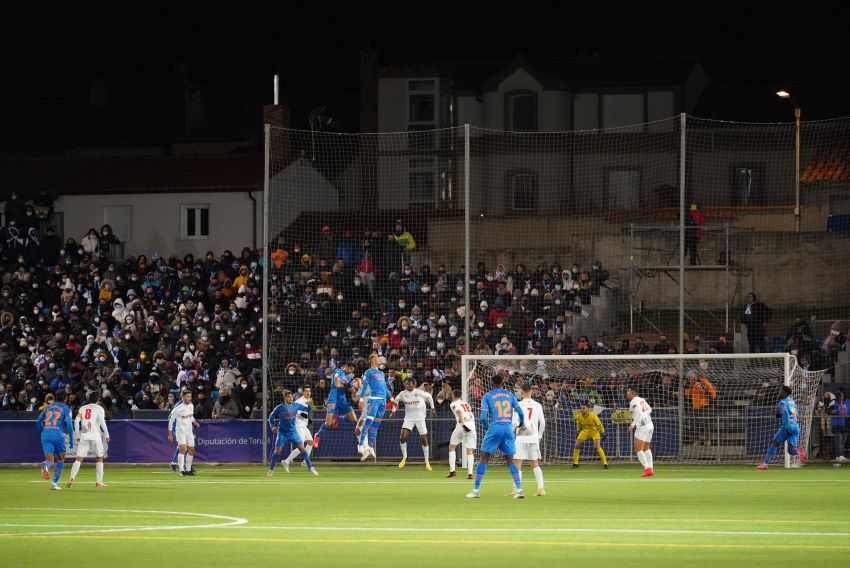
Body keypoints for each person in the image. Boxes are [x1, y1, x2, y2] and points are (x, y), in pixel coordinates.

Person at [467, 370, 525, 499]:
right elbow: (520, 413)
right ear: (503, 382)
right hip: (508, 429)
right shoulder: (510, 395)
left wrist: (488, 428)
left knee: (484, 458)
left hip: (495, 427)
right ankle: (519, 489)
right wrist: (521, 423)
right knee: (510, 460)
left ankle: (476, 491)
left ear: (491, 383)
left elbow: (482, 417)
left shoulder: (487, 396)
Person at [267, 390, 318, 476]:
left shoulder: (296, 405)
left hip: (293, 432)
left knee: (302, 448)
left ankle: (311, 467)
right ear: (285, 398)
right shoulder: (280, 407)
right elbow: (271, 417)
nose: (291, 398)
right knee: (278, 450)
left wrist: (309, 404)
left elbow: (307, 410)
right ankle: (271, 469)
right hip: (282, 433)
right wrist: (272, 426)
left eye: (291, 397)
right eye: (288, 397)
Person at [391, 378, 436, 470]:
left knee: (424, 438)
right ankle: (404, 458)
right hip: (409, 418)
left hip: (420, 418)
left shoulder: (419, 392)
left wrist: (432, 408)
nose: (408, 385)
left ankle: (427, 461)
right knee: (402, 437)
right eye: (407, 384)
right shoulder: (403, 393)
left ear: (414, 385)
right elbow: (396, 401)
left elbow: (429, 397)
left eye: (410, 384)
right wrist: (393, 411)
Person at [67, 391, 110, 488]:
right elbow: (102, 422)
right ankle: (99, 482)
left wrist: (77, 434)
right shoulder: (99, 408)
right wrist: (107, 434)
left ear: (88, 399)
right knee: (99, 458)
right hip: (95, 436)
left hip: (85, 435)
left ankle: (72, 477)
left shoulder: (83, 408)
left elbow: (77, 421)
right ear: (98, 399)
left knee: (79, 459)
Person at [758, 385, 806, 469]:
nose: (779, 392)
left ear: (785, 393)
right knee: (790, 450)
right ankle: (798, 451)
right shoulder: (792, 401)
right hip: (795, 426)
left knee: (774, 444)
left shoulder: (782, 403)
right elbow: (795, 414)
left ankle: (765, 464)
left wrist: (787, 427)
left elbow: (786, 414)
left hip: (787, 426)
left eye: (781, 391)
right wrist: (779, 415)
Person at [313, 362, 357, 448]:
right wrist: (347, 386)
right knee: (328, 424)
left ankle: (338, 417)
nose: (351, 371)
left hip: (343, 400)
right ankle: (317, 435)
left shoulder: (348, 378)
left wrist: (354, 390)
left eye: (353, 370)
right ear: (345, 367)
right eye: (351, 369)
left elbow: (352, 391)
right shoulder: (338, 371)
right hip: (333, 399)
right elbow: (337, 384)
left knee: (354, 419)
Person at [37, 391, 75, 490]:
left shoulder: (48, 407)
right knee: (61, 458)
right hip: (57, 434)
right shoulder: (66, 408)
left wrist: (43, 431)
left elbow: (38, 421)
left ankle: (46, 465)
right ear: (65, 399)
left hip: (46, 433)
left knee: (50, 459)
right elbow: (69, 425)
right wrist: (71, 439)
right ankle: (54, 483)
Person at [513, 383, 546, 496]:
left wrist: (511, 434)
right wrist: (540, 436)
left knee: (517, 462)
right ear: (531, 392)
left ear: (522, 392)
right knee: (535, 462)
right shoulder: (537, 405)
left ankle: (517, 490)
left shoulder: (518, 404)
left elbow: (514, 422)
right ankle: (541, 488)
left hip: (521, 436)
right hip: (533, 437)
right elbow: (542, 422)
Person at [357, 354, 390, 460]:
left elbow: (384, 387)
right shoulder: (369, 373)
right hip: (371, 402)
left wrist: (392, 399)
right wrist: (361, 400)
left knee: (370, 425)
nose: (379, 359)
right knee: (361, 427)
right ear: (371, 361)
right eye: (376, 357)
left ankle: (368, 447)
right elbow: (363, 389)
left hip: (379, 401)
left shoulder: (381, 373)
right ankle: (364, 447)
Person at [281, 386, 315, 469]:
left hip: (304, 426)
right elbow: (295, 412)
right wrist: (305, 416)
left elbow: (305, 412)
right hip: (299, 426)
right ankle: (286, 461)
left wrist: (308, 419)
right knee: (301, 447)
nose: (308, 393)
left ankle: (304, 462)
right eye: (306, 391)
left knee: (310, 442)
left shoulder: (308, 401)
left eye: (309, 391)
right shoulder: (299, 401)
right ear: (303, 392)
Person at [168, 390, 200, 477]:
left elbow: (191, 415)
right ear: (183, 397)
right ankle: (182, 470)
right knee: (183, 449)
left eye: (190, 396)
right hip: (180, 431)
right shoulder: (178, 408)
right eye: (188, 396)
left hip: (189, 431)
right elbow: (170, 420)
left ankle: (188, 470)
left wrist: (195, 422)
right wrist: (170, 433)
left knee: (191, 450)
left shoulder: (191, 405)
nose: (190, 398)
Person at [683, 369, 717, 446]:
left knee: (706, 423)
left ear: (695, 376)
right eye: (689, 378)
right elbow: (687, 394)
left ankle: (707, 440)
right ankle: (696, 440)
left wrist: (702, 387)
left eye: (691, 377)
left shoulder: (703, 381)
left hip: (705, 406)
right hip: (694, 407)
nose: (690, 379)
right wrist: (690, 387)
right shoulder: (690, 384)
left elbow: (713, 394)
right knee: (694, 424)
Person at [447, 389, 476, 480]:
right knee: (469, 450)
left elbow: (459, 412)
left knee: (452, 447)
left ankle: (452, 471)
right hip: (471, 426)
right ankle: (470, 474)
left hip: (461, 426)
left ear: (453, 395)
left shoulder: (453, 404)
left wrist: (463, 424)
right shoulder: (466, 404)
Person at [627, 386, 655, 477]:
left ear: (633, 392)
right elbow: (650, 409)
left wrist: (632, 425)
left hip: (642, 426)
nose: (627, 393)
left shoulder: (633, 401)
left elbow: (638, 413)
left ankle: (647, 469)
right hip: (650, 424)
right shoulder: (641, 399)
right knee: (646, 448)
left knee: (638, 449)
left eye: (628, 391)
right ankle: (650, 468)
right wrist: (645, 416)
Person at [572, 402, 609, 469]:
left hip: (594, 431)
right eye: (581, 408)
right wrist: (578, 431)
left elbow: (600, 425)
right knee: (576, 446)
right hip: (584, 431)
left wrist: (603, 432)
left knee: (597, 447)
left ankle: (605, 463)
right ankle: (575, 463)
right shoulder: (579, 416)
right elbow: (579, 424)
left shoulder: (593, 416)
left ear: (588, 409)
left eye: (583, 408)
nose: (582, 410)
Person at [829, 387, 849, 462]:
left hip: (846, 424)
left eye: (842, 396)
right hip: (836, 424)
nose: (841, 397)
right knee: (838, 440)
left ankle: (838, 456)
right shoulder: (834, 402)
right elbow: (828, 409)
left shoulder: (848, 401)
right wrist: (832, 411)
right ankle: (841, 455)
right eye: (840, 396)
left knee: (843, 441)